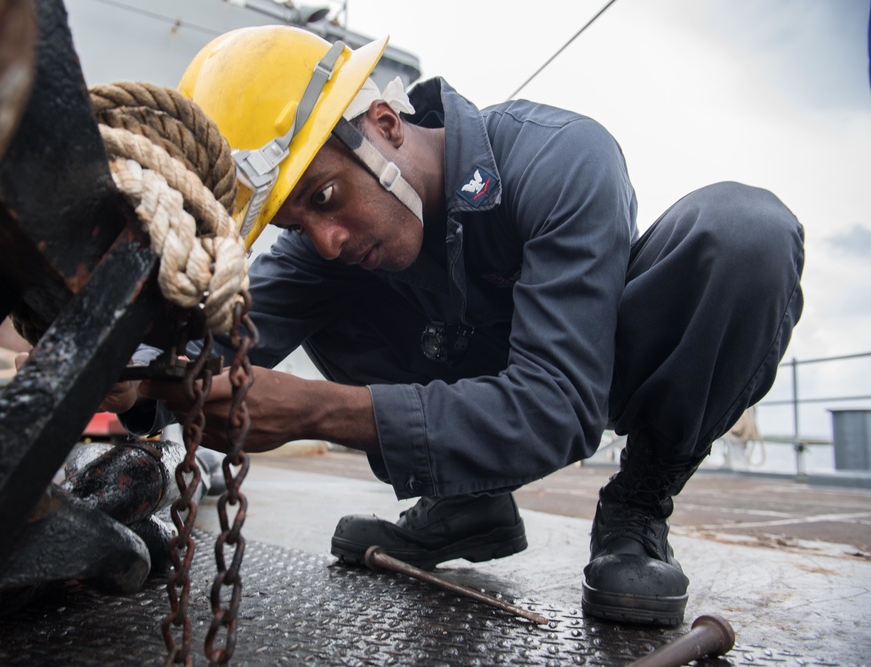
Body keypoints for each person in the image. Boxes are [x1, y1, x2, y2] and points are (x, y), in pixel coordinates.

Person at [114, 25, 804, 627]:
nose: (325, 236)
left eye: (325, 196)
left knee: (746, 236)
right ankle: (463, 504)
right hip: (466, 370)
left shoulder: (560, 159)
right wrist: (130, 374)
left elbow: (558, 405)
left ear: (384, 124)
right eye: (298, 221)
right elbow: (213, 342)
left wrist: (319, 410)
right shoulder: (326, 246)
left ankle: (637, 509)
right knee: (317, 284)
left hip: (587, 365)